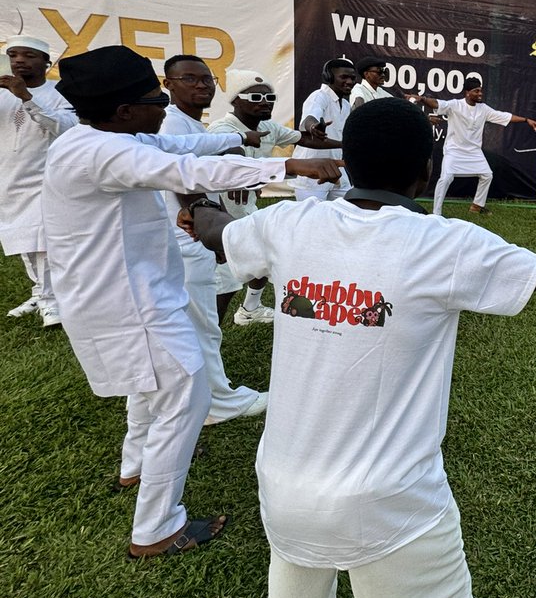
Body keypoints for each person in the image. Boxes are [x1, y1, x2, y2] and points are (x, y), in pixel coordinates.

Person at [185, 96, 536, 598]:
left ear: (345, 163)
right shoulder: (445, 243)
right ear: (427, 168)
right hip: (391, 503)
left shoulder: (288, 225)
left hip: (284, 491)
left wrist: (195, 199)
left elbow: (217, 234)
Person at [42, 45, 341, 558]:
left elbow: (184, 150)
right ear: (124, 110)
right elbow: (189, 174)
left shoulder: (101, 137)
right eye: (156, 96)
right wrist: (291, 165)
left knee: (149, 386)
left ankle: (136, 466)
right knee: (188, 394)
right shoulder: (102, 151)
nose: (165, 105)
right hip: (128, 304)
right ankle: (156, 527)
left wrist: (240, 144)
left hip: (127, 296)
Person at [161, 55, 269, 425]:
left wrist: (235, 161)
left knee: (191, 325)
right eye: (190, 79)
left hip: (182, 239)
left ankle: (191, 392)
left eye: (207, 79)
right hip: (186, 240)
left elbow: (219, 150)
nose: (203, 85)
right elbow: (184, 180)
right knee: (203, 326)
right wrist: (201, 214)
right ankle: (218, 402)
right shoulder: (172, 123)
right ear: (168, 84)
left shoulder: (190, 124)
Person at [208, 69, 342, 325]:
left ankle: (249, 310)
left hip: (244, 209)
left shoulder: (267, 127)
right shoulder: (222, 128)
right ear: (236, 100)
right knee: (223, 286)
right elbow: (229, 149)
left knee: (266, 254)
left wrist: (346, 145)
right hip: (215, 214)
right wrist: (236, 165)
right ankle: (208, 341)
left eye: (269, 98)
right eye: (256, 98)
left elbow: (303, 139)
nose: (265, 103)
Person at [1, 35, 76, 327]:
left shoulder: (60, 92)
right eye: (14, 55)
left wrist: (27, 98)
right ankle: (39, 292)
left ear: (46, 61)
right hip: (9, 176)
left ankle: (50, 302)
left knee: (43, 240)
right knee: (23, 238)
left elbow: (66, 128)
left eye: (29, 55)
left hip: (46, 177)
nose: (19, 61)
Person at [411, 78, 536, 216]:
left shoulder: (483, 109)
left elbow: (504, 116)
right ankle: (436, 213)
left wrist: (526, 120)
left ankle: (477, 206)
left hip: (474, 152)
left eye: (481, 90)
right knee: (446, 178)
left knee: (487, 175)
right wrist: (421, 99)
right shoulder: (455, 105)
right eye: (477, 91)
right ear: (468, 93)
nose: (480, 93)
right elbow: (437, 103)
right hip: (454, 150)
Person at [293, 58, 356, 202]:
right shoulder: (319, 96)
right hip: (312, 171)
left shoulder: (345, 104)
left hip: (337, 170)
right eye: (344, 77)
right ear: (329, 78)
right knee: (312, 220)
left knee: (349, 211)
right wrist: (313, 127)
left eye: (352, 78)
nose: (350, 81)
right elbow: (310, 117)